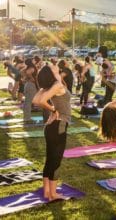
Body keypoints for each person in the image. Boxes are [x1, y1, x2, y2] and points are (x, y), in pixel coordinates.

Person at [33, 64, 71, 201]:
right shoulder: (56, 85)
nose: (55, 65)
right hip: (58, 125)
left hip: (51, 126)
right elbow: (40, 101)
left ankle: (47, 192)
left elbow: (35, 100)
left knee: (50, 159)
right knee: (55, 161)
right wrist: (53, 110)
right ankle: (53, 195)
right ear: (51, 72)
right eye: (52, 66)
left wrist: (52, 109)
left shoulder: (53, 85)